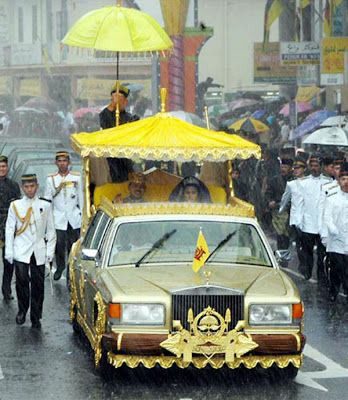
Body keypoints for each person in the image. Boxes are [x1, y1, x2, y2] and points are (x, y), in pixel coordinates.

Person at [5, 174, 56, 328]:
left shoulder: (45, 205)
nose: (29, 190)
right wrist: (9, 251)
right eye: (26, 187)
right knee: (21, 281)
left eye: (32, 186)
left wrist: (50, 252)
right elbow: (9, 229)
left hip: (39, 249)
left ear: (37, 186)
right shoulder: (15, 206)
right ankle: (22, 309)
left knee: (38, 284)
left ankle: (36, 314)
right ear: (22, 188)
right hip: (21, 249)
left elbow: (51, 231)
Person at [44, 151, 83, 282]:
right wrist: (47, 220)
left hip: (73, 217)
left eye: (64, 161)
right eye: (59, 161)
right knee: (59, 244)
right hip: (58, 217)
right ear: (56, 163)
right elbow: (48, 201)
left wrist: (83, 215)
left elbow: (81, 199)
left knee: (73, 246)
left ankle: (70, 269)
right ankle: (60, 266)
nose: (62, 163)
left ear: (69, 162)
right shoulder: (51, 179)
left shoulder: (76, 178)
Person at [296, 154, 332, 282]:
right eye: (312, 165)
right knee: (308, 253)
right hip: (308, 224)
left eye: (316, 165)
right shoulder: (303, 182)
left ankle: (321, 277)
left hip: (322, 225)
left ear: (321, 166)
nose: (314, 168)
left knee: (322, 254)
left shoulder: (329, 183)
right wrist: (299, 221)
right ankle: (307, 273)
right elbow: (299, 203)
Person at [99, 83, 139, 182]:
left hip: (126, 159)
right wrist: (113, 104)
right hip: (110, 160)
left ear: (126, 102)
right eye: (114, 100)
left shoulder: (129, 118)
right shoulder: (105, 114)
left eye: (120, 100)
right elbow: (104, 121)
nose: (117, 103)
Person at [321, 162, 348, 302]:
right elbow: (327, 217)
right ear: (339, 181)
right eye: (343, 179)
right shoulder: (332, 198)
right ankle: (333, 291)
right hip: (336, 242)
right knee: (337, 269)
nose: (346, 182)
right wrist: (332, 230)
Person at [279, 157, 307, 271]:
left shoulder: (310, 183)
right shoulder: (291, 184)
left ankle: (305, 264)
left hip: (308, 218)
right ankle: (298, 263)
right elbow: (284, 200)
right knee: (295, 242)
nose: (296, 170)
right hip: (294, 218)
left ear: (304, 169)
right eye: (294, 168)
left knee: (305, 244)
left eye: (298, 168)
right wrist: (281, 210)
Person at [265, 158, 294, 267]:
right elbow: (268, 193)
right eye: (282, 166)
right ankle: (282, 257)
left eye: (285, 167)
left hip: (290, 211)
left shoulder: (294, 181)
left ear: (290, 168)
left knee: (286, 236)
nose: (283, 169)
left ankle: (284, 256)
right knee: (280, 234)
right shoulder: (274, 180)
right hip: (278, 212)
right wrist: (270, 201)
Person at [0, 155, 21, 302]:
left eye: (4, 166)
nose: (2, 169)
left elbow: (18, 206)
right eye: (0, 167)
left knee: (8, 259)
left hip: (8, 225)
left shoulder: (13, 185)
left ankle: (6, 289)